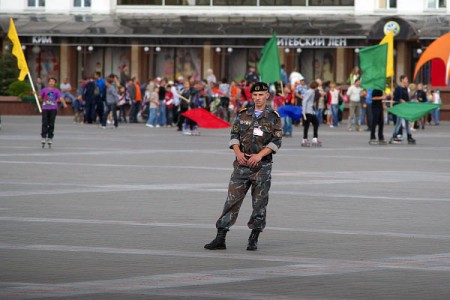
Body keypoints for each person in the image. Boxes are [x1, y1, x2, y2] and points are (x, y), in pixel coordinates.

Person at [204, 82, 282, 251]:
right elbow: (234, 135)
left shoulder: (273, 117)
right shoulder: (243, 114)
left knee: (259, 203)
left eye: (261, 95)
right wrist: (238, 153)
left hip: (261, 166)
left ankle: (254, 237)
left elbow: (276, 141)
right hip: (241, 165)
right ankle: (220, 237)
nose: (258, 98)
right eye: (255, 95)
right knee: (232, 200)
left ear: (267, 96)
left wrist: (259, 155)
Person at [38, 77, 67, 146]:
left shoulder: (56, 91)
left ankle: (50, 137)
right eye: (50, 81)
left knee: (51, 123)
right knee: (44, 122)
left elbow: (60, 98)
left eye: (53, 81)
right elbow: (39, 97)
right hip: (45, 108)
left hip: (53, 108)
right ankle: (43, 136)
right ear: (48, 82)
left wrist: (64, 103)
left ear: (55, 83)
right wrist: (35, 94)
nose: (51, 83)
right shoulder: (44, 90)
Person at [389, 75, 416, 144]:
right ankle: (394, 135)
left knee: (407, 122)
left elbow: (406, 98)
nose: (407, 80)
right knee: (398, 122)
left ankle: (409, 136)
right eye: (406, 79)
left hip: (405, 107)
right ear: (402, 80)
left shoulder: (405, 88)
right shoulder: (398, 88)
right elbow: (398, 98)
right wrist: (403, 101)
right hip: (400, 107)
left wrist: (408, 103)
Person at [301, 81, 321, 147]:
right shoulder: (310, 91)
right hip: (307, 111)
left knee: (316, 123)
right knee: (307, 125)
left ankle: (314, 138)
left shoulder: (312, 91)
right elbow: (305, 101)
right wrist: (304, 110)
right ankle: (304, 139)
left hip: (311, 111)